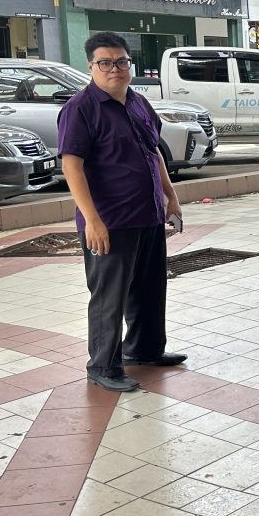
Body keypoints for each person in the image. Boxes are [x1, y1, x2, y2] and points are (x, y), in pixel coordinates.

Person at [58, 32, 186, 392]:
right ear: (91, 67)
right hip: (109, 221)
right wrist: (92, 221)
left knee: (149, 288)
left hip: (146, 215)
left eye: (121, 62)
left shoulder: (139, 103)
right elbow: (72, 166)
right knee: (109, 297)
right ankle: (103, 365)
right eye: (105, 62)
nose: (115, 69)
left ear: (129, 64)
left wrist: (170, 197)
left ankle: (144, 350)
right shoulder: (81, 108)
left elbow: (154, 153)